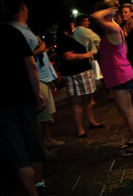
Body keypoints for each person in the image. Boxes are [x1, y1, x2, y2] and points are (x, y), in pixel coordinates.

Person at [0, 1, 46, 196]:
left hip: (2, 104)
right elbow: (31, 65)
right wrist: (37, 93)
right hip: (24, 96)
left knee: (16, 148)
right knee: (31, 139)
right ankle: (38, 181)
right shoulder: (12, 32)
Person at [8, 0, 65, 160]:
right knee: (39, 115)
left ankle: (47, 140)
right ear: (23, 9)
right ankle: (40, 150)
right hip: (36, 78)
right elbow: (23, 58)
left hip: (43, 75)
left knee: (45, 114)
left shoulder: (23, 29)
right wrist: (39, 50)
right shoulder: (16, 31)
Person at [91, 1, 133, 157]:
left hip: (119, 75)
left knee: (128, 112)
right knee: (126, 111)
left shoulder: (113, 27)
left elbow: (94, 16)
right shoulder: (114, 27)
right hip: (119, 74)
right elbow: (125, 50)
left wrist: (111, 8)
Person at [56, 17, 104, 138]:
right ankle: (81, 128)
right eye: (72, 25)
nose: (73, 27)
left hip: (76, 72)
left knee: (85, 100)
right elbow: (68, 56)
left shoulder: (66, 38)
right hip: (78, 73)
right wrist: (85, 55)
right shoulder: (64, 39)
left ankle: (90, 122)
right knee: (79, 101)